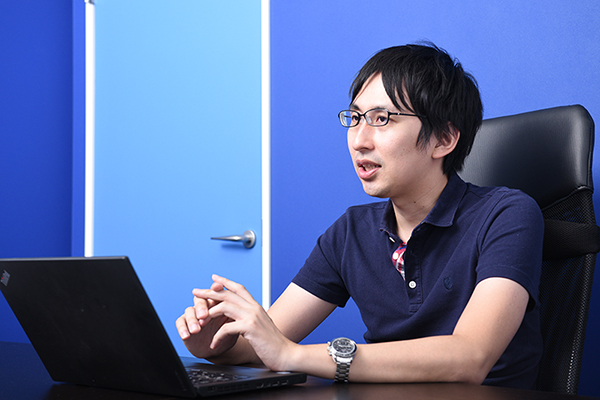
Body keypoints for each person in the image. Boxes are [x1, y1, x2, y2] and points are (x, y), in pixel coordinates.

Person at [176, 43, 544, 389]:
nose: (358, 140)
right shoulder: (351, 232)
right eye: (354, 118)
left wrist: (292, 355)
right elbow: (265, 346)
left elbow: (470, 357)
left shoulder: (507, 215)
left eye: (381, 119)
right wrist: (216, 343)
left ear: (443, 139)